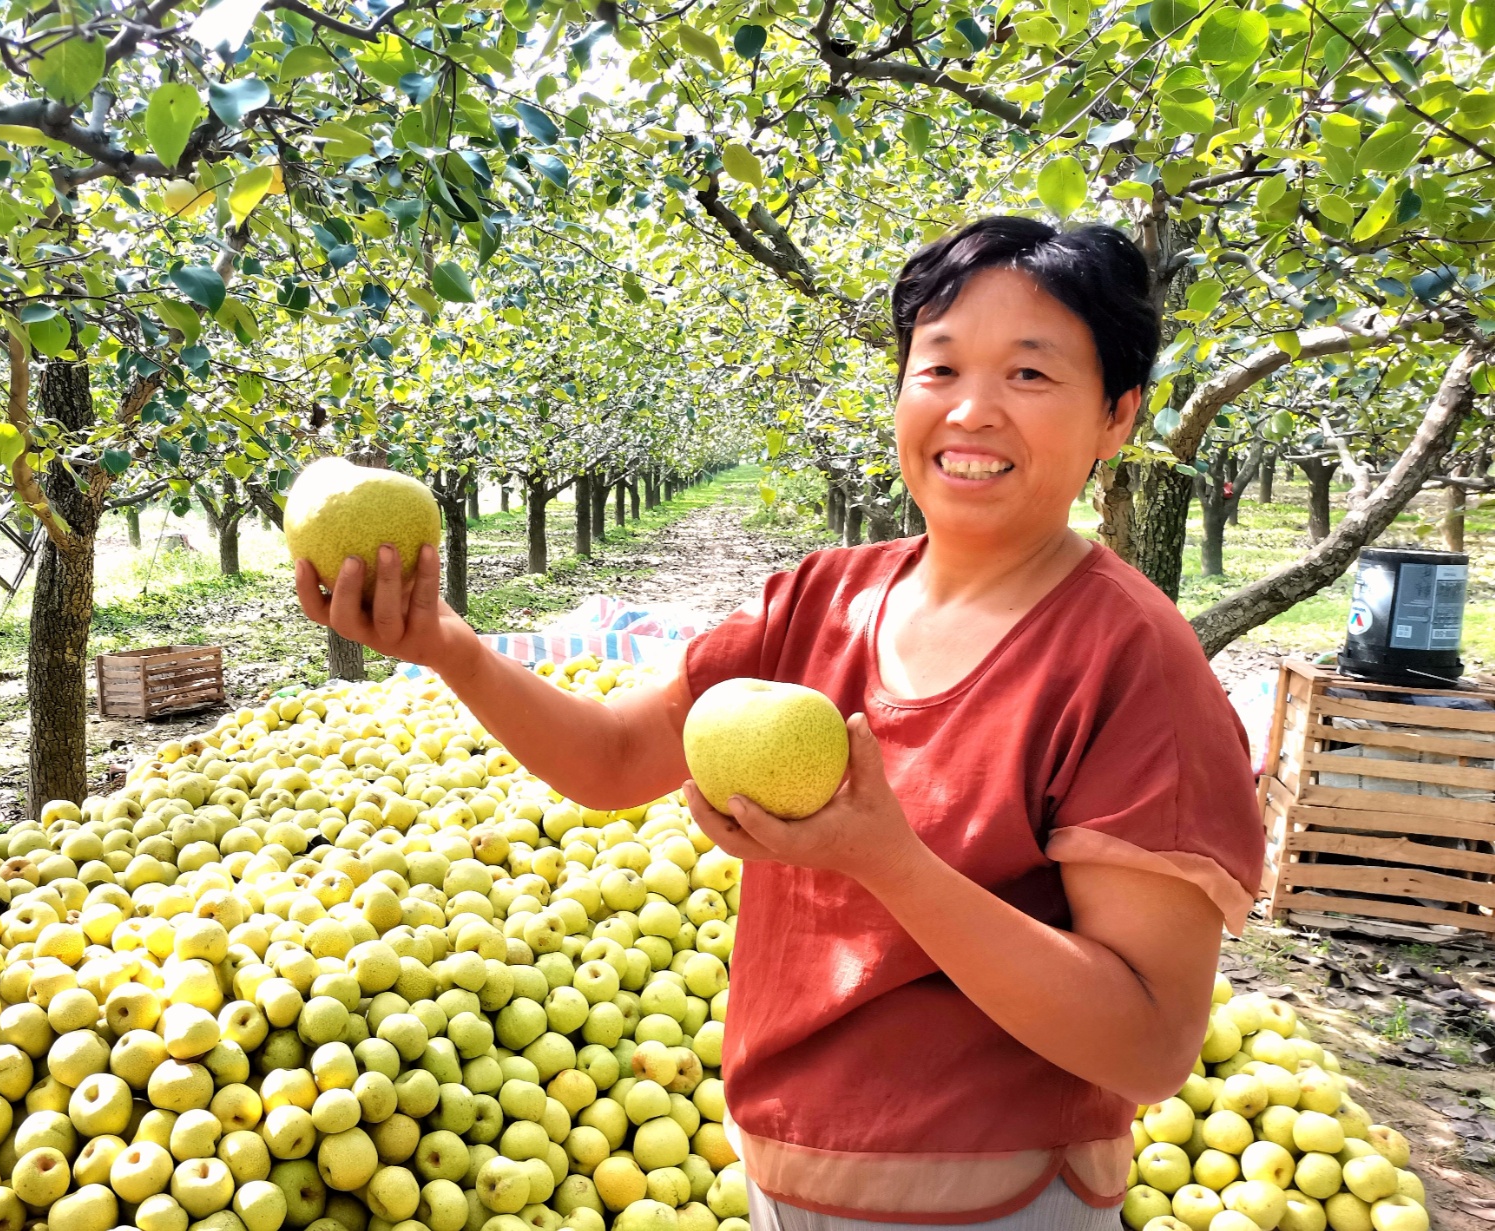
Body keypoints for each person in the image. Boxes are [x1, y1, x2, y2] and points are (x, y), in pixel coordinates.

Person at [294, 216, 1264, 1228]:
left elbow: (1148, 1043)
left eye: (1029, 376)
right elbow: (616, 756)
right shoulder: (819, 600)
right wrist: (448, 644)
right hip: (782, 1173)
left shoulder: (1130, 660)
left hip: (992, 1201)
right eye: (937, 369)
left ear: (1117, 417)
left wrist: (889, 863)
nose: (971, 411)